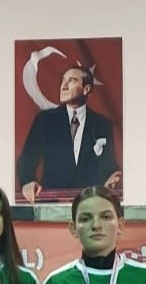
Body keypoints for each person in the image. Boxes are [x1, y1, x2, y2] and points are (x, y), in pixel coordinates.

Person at [17, 66, 121, 203]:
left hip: (89, 202)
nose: (63, 86)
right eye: (63, 80)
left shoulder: (102, 124)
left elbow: (109, 164)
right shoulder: (45, 120)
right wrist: (28, 182)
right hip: (52, 202)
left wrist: (114, 175)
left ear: (86, 89)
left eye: (71, 80)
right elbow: (26, 161)